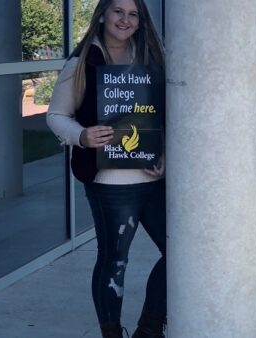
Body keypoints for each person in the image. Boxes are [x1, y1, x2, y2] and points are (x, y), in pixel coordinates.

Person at [46, 1, 166, 337]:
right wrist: (82, 136)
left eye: (133, 14)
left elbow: (166, 116)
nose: (125, 20)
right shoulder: (83, 61)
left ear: (140, 22)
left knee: (180, 251)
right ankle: (112, 332)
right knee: (115, 260)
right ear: (102, 14)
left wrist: (166, 153)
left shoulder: (150, 58)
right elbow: (55, 115)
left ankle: (150, 327)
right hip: (109, 182)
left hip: (154, 178)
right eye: (118, 11)